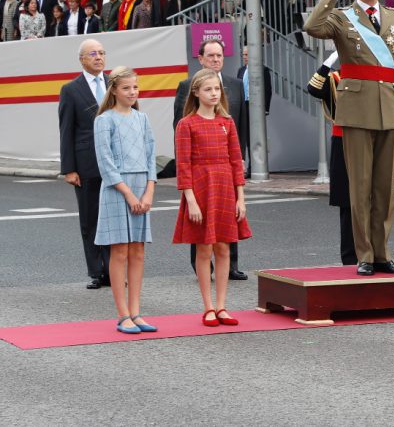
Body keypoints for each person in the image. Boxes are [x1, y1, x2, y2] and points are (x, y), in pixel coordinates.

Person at [303, 0, 394, 276]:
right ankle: (363, 254)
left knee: (385, 189)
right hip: (355, 110)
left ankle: (382, 252)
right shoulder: (342, 17)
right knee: (360, 188)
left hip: (389, 108)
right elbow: (312, 27)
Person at [173, 69, 252, 326]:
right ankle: (207, 307)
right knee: (204, 247)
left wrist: (241, 198)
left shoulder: (227, 123)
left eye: (217, 89)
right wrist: (191, 200)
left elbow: (235, 162)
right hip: (200, 188)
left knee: (223, 246)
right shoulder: (186, 124)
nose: (214, 94)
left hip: (225, 188)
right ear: (196, 92)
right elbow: (183, 165)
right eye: (208, 89)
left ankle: (222, 306)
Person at [173, 39, 247, 280]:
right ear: (201, 58)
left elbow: (241, 123)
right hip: (201, 167)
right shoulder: (187, 85)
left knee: (229, 219)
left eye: (219, 55)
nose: (216, 59)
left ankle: (231, 265)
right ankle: (202, 265)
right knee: (201, 221)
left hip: (226, 161)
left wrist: (241, 158)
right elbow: (179, 123)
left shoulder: (235, 85)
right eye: (211, 56)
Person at [93, 66, 158, 334]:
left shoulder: (142, 119)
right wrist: (129, 194)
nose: (132, 92)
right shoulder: (104, 120)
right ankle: (122, 315)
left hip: (142, 186)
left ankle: (136, 311)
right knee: (119, 251)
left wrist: (149, 190)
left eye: (135, 87)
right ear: (114, 90)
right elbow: (105, 162)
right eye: (127, 88)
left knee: (138, 251)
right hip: (117, 188)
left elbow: (152, 155)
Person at [58, 39, 111, 289]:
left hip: (115, 163)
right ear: (82, 59)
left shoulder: (115, 84)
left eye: (101, 53)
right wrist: (69, 168)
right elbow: (66, 130)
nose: (99, 57)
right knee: (91, 219)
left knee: (113, 218)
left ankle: (114, 269)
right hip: (86, 164)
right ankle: (97, 271)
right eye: (93, 54)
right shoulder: (71, 89)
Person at [307, 51, 356, 264]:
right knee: (347, 203)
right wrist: (330, 61)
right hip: (343, 141)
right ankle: (350, 257)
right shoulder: (335, 78)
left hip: (370, 140)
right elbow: (313, 88)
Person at [237, 45, 273, 175]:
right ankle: (245, 168)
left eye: (247, 55)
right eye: (243, 55)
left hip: (256, 107)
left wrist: (266, 109)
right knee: (245, 137)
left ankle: (256, 167)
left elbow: (268, 90)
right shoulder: (241, 70)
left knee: (256, 137)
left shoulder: (263, 70)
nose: (244, 57)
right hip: (244, 105)